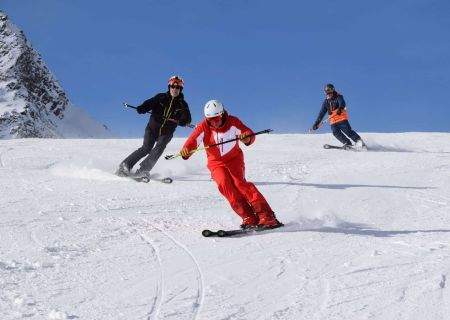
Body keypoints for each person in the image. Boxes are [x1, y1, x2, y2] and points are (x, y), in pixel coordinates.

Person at [179, 99, 282, 229]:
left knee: (240, 183)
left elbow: (247, 132)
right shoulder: (204, 126)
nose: (215, 122)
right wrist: (186, 151)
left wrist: (247, 137)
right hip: (215, 163)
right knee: (224, 185)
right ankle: (248, 216)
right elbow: (192, 141)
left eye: (217, 118)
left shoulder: (232, 122)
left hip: (234, 159)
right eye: (211, 120)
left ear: (222, 114)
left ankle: (266, 216)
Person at [116, 75, 192, 178]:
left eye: (177, 87)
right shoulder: (160, 97)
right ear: (169, 87)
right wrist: (142, 108)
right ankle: (124, 166)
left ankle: (143, 170)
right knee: (146, 148)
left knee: (159, 148)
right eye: (172, 87)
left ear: (181, 89)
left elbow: (187, 118)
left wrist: (182, 121)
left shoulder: (182, 104)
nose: (175, 89)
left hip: (166, 132)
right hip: (152, 129)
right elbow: (149, 104)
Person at [311, 84, 367, 149]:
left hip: (341, 119)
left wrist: (340, 108)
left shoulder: (339, 97)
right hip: (333, 121)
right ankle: (347, 143)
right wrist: (316, 124)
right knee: (336, 133)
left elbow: (342, 103)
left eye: (330, 93)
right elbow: (321, 114)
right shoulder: (326, 102)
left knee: (348, 131)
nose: (328, 95)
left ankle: (360, 143)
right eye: (327, 93)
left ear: (333, 91)